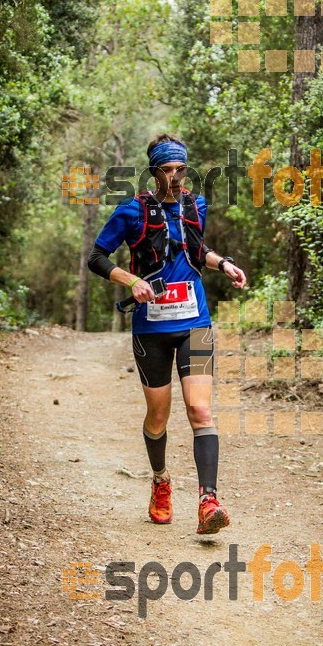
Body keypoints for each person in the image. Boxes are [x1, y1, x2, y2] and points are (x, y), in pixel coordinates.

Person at [87, 133, 246, 534]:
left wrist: (222, 263)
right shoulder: (132, 211)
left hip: (195, 320)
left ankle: (208, 501)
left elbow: (195, 250)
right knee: (158, 416)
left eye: (181, 169)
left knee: (201, 410)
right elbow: (97, 257)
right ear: (154, 171)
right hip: (151, 327)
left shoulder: (196, 204)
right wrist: (130, 280)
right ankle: (160, 482)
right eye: (167, 170)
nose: (175, 177)